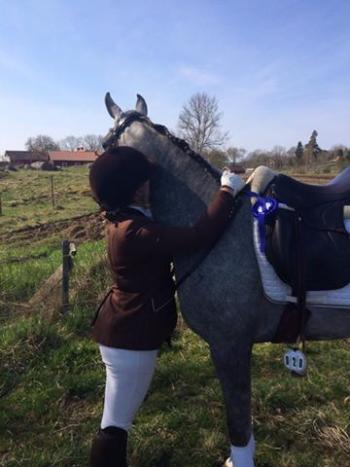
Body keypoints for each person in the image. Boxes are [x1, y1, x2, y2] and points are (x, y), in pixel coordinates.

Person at [88, 146, 245, 467]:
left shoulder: (124, 219)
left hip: (121, 330)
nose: (150, 184)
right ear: (136, 188)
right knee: (115, 425)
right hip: (131, 336)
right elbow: (198, 235)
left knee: (115, 420)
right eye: (144, 180)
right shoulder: (137, 231)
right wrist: (227, 191)